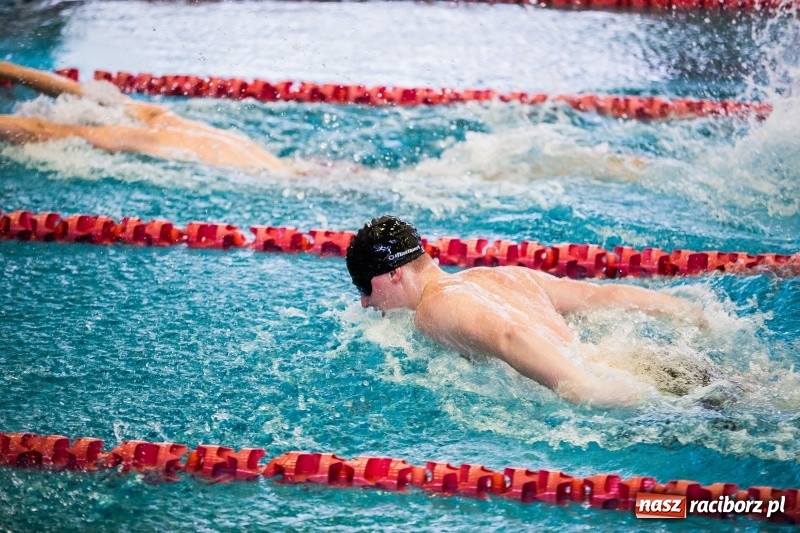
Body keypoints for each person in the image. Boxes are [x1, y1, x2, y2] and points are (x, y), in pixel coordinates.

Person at [346, 215, 709, 408]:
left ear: (393, 273)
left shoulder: (432, 308)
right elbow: (598, 297)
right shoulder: (503, 276)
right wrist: (688, 313)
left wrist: (586, 389)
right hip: (649, 363)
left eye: (364, 286)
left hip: (623, 386)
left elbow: (510, 335)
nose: (365, 301)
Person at [0, 61, 288, 172]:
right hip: (158, 136)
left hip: (163, 127)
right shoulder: (273, 171)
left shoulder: (274, 163)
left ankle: (8, 69)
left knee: (97, 104)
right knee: (57, 128)